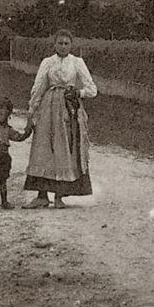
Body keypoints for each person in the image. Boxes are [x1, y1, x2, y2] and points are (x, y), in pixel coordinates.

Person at [23, 29, 97, 209]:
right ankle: (41, 196)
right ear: (54, 44)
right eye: (60, 43)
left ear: (71, 45)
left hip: (69, 109)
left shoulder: (77, 62)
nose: (63, 46)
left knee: (65, 150)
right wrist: (32, 111)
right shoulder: (47, 62)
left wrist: (78, 92)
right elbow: (39, 86)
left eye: (66, 43)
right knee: (44, 148)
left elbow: (92, 89)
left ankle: (59, 196)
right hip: (49, 107)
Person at [0, 97, 33, 212]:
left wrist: (28, 130)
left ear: (7, 115)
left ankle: (4, 202)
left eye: (2, 114)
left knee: (3, 180)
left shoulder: (8, 130)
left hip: (4, 157)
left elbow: (19, 137)